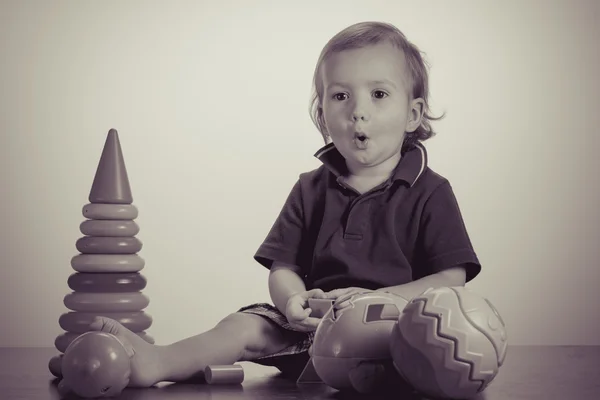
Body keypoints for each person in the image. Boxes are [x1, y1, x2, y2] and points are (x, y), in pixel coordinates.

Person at [81, 21, 482, 388]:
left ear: (412, 114)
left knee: (445, 335)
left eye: (378, 94)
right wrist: (292, 301)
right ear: (323, 115)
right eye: (340, 96)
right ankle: (159, 362)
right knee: (243, 325)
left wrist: (382, 299)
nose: (358, 110)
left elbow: (450, 280)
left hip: (391, 331)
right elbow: (283, 268)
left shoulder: (430, 191)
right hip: (315, 329)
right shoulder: (311, 188)